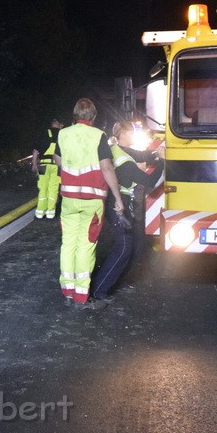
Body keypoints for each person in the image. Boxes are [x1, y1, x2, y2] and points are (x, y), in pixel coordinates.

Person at [52, 98, 123, 309]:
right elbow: (107, 168)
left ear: (75, 115)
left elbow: (57, 160)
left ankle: (67, 289)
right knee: (86, 244)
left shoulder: (63, 134)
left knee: (68, 243)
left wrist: (73, 167)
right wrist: (117, 198)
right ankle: (81, 294)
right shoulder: (98, 136)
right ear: (93, 116)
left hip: (69, 200)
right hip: (92, 201)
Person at [91, 121, 163, 305]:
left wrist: (155, 155)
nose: (133, 136)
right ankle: (100, 289)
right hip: (119, 204)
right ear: (122, 134)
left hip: (116, 203)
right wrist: (162, 161)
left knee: (134, 244)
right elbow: (150, 181)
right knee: (124, 246)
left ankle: (114, 283)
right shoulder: (125, 162)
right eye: (131, 133)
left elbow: (140, 154)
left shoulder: (115, 150)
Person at [31, 117, 64, 219]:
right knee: (53, 189)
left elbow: (36, 150)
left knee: (43, 188)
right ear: (59, 124)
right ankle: (51, 213)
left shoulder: (44, 133)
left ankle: (39, 213)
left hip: (43, 165)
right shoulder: (62, 134)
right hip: (56, 166)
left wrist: (34, 164)